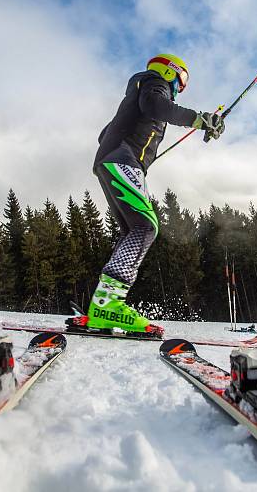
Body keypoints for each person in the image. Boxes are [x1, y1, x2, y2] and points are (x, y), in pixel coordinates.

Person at [69, 54, 225, 336]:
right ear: (170, 72)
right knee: (146, 225)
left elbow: (106, 131)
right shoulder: (154, 83)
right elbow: (157, 106)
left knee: (132, 229)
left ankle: (102, 304)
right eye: (181, 81)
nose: (179, 89)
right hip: (121, 159)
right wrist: (199, 119)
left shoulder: (138, 90)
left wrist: (137, 149)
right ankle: (109, 305)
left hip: (114, 159)